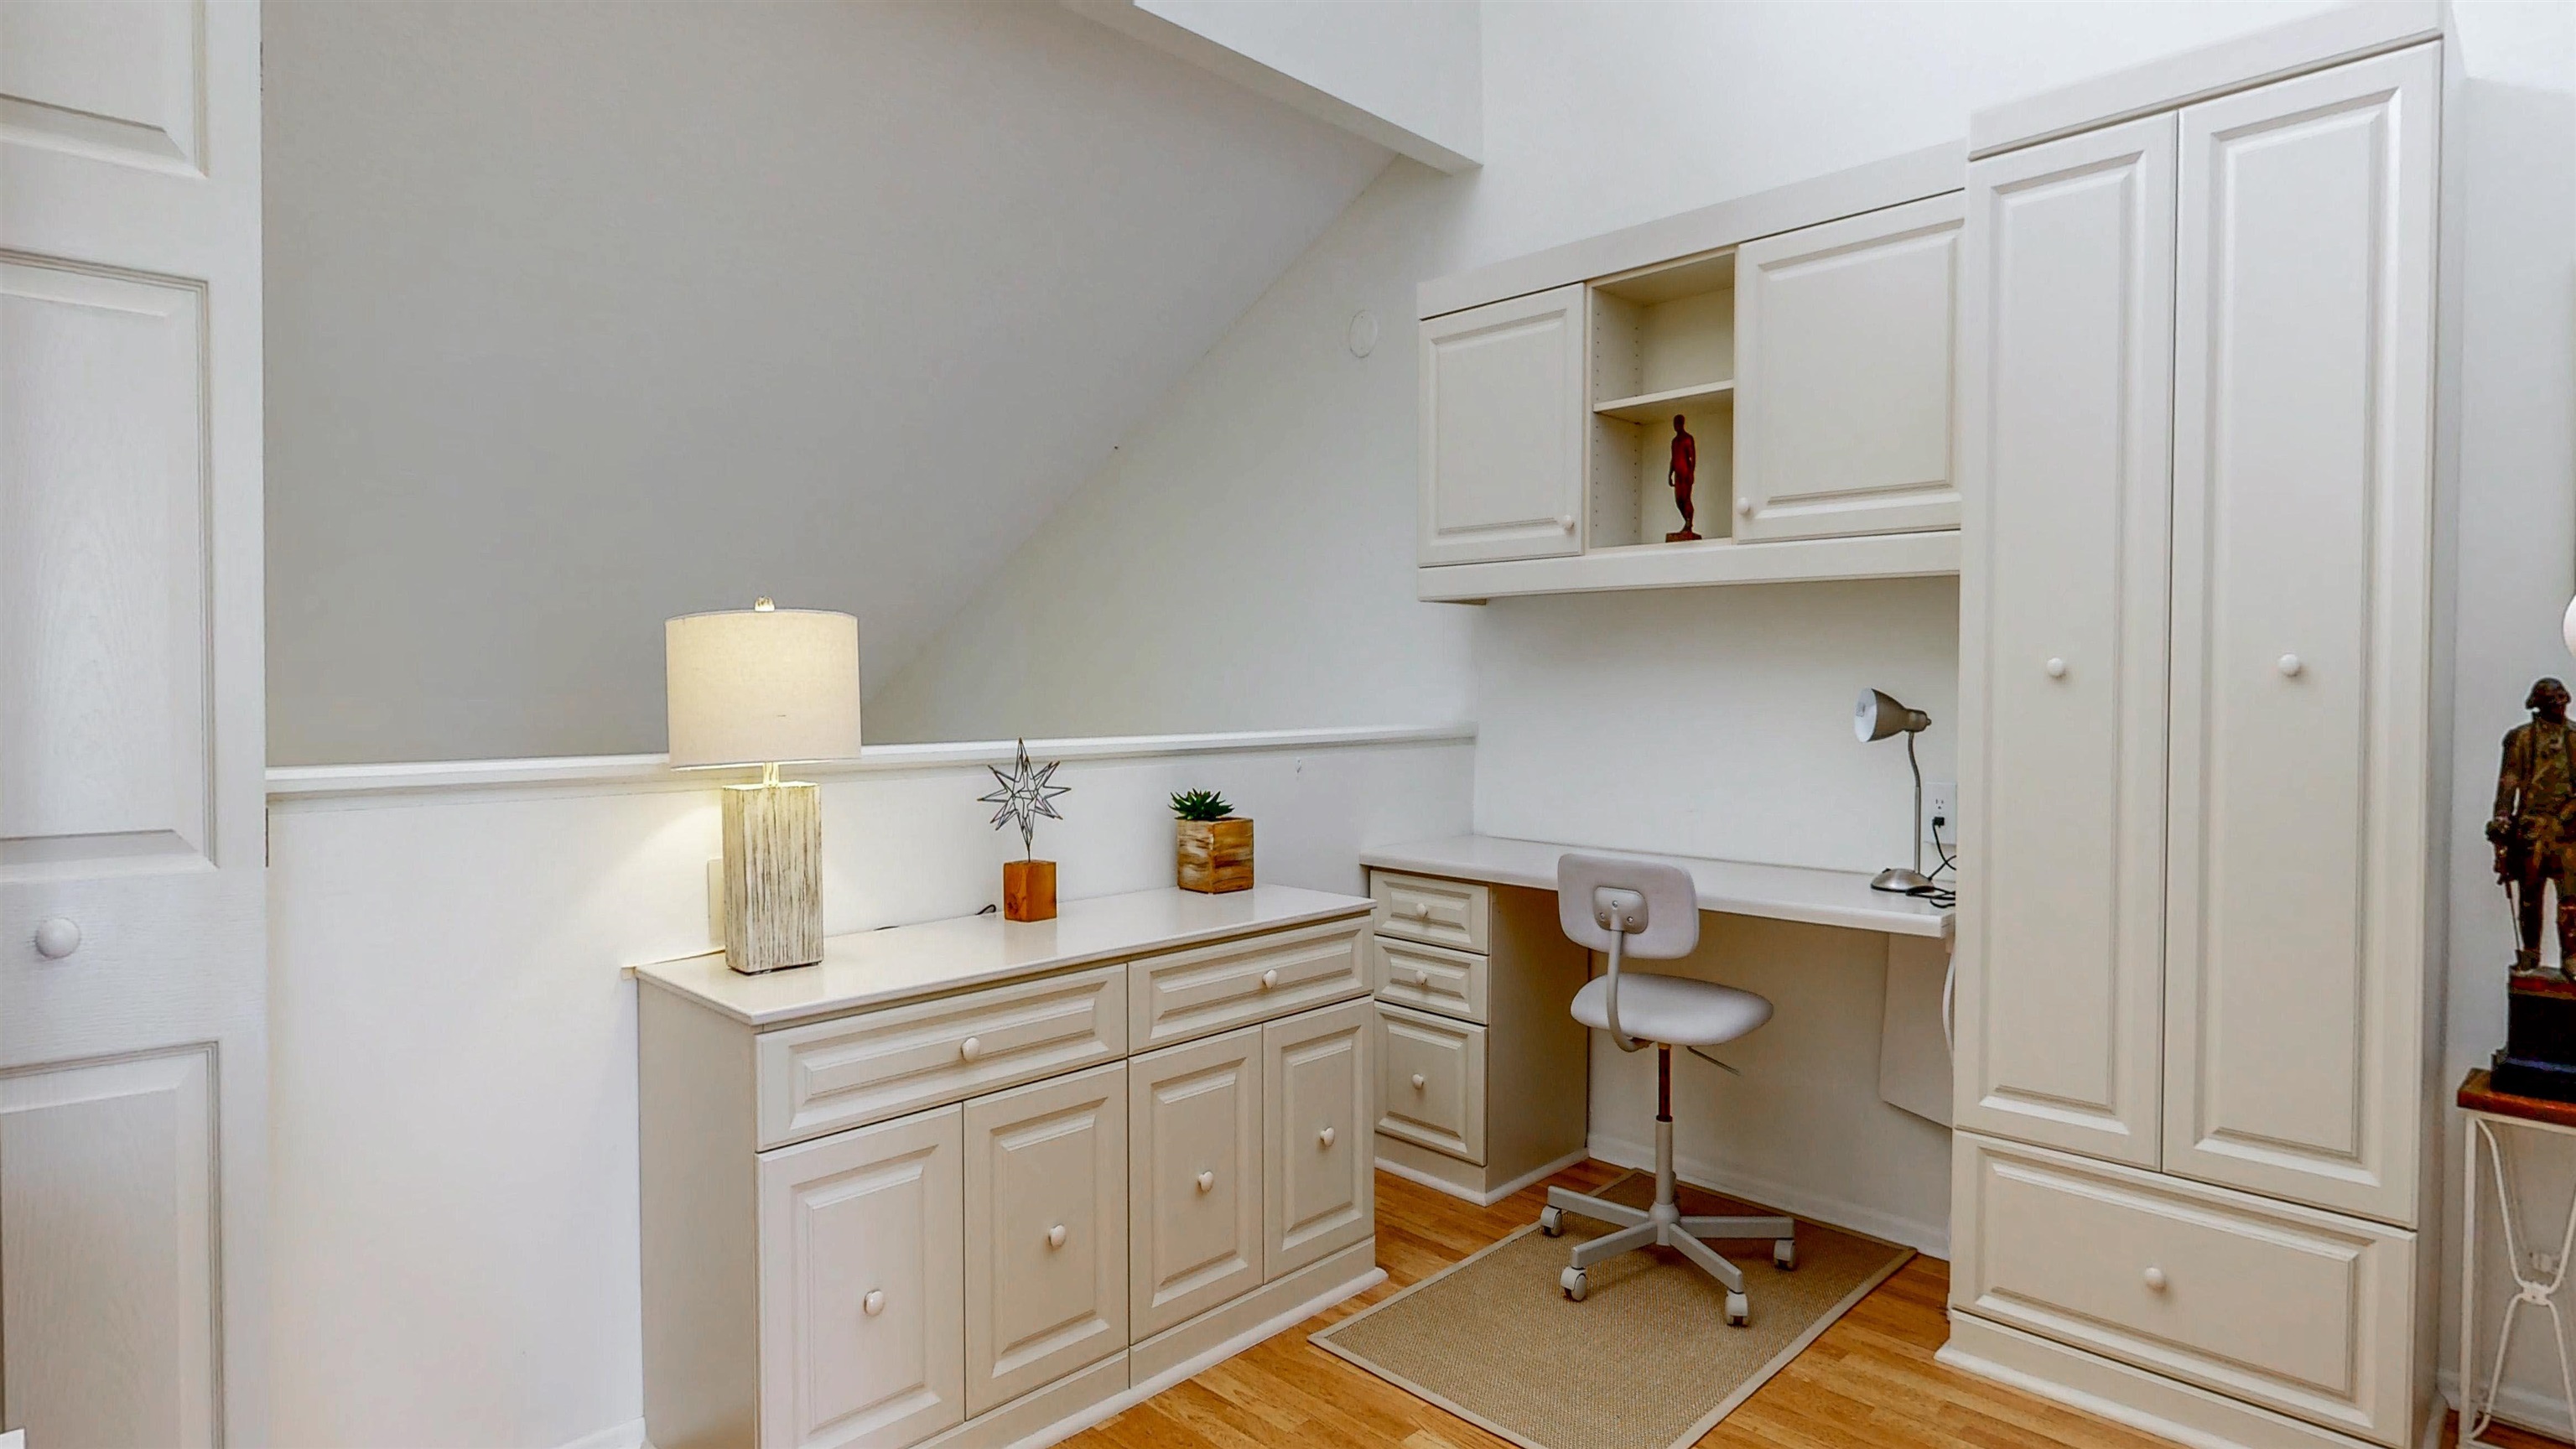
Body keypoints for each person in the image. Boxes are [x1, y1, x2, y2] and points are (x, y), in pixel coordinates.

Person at [2491, 677, 2576, 975]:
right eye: (2554, 700)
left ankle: (2571, 956)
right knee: (2530, 896)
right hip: (2531, 830)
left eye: (2563, 698)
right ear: (2540, 705)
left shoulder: (2575, 736)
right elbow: (2508, 784)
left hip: (2568, 831)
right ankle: (2530, 953)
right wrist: (2501, 820)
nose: (2561, 705)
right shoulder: (2521, 738)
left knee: (2570, 899)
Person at [1665, 414, 1700, 542]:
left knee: (1686, 499)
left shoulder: (1687, 439)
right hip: (1678, 475)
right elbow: (1673, 459)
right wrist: (1670, 474)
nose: (1675, 426)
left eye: (1677, 423)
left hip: (1685, 474)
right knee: (1678, 501)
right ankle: (1687, 522)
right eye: (1674, 424)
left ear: (1682, 424)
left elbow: (1692, 457)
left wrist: (1691, 473)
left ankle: (1689, 523)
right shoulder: (1674, 441)